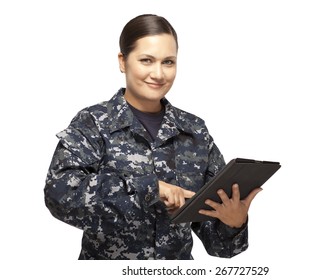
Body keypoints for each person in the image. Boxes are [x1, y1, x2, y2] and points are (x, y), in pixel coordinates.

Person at [44, 14, 261, 260]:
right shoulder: (94, 122)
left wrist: (234, 222)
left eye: (168, 62)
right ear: (123, 61)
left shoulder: (194, 131)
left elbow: (220, 246)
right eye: (146, 60)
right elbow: (59, 195)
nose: (158, 74)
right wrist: (150, 188)